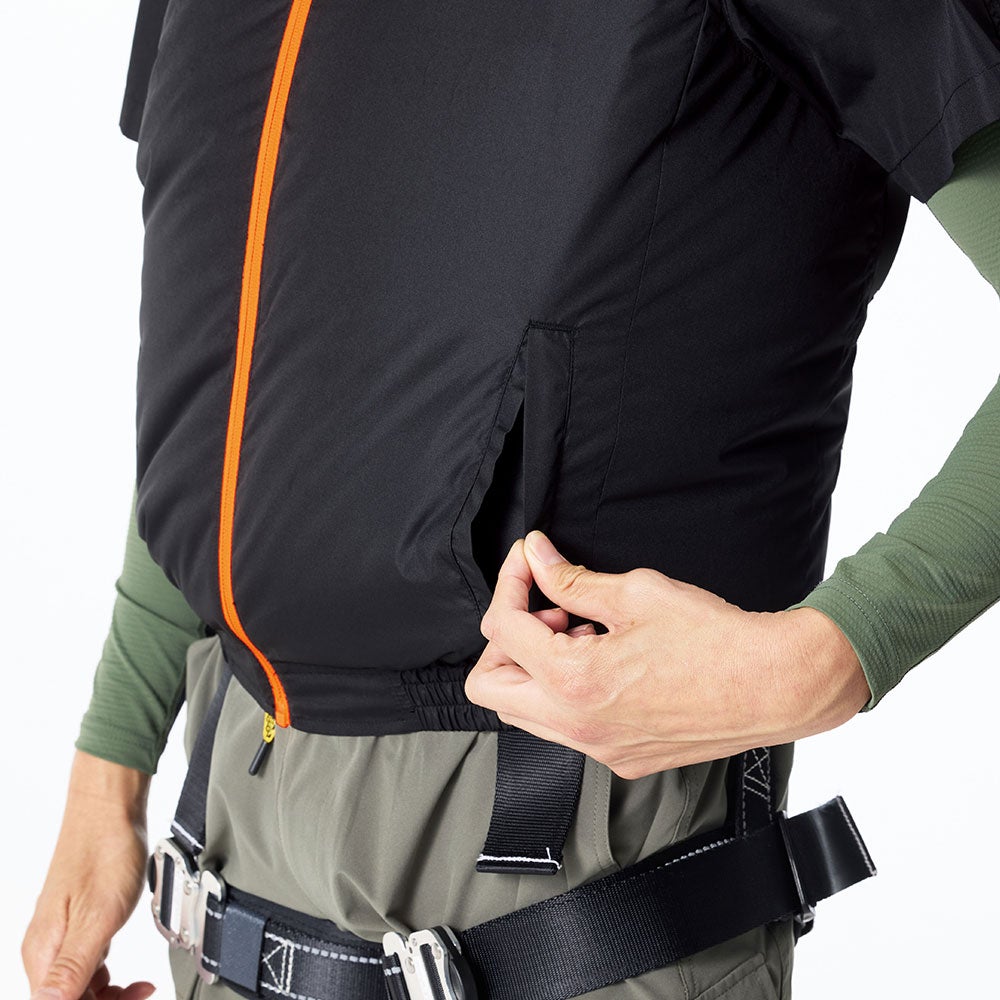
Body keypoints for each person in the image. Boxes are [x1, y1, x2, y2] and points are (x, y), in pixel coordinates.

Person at [21, 1, 1000, 998]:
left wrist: (829, 657)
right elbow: (228, 381)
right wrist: (110, 770)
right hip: (222, 866)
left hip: (568, 868)